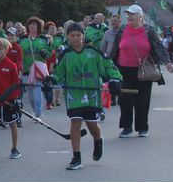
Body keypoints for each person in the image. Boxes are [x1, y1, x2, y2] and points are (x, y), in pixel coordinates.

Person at [44, 23, 122, 170]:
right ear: (67, 37)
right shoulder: (66, 54)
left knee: (92, 125)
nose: (75, 38)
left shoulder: (93, 52)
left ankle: (98, 140)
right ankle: (76, 157)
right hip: (74, 96)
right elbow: (58, 73)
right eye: (72, 35)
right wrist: (51, 80)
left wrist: (115, 78)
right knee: (75, 122)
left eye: (78, 35)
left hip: (92, 95)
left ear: (83, 36)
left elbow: (109, 65)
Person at [109, 4, 173, 138]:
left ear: (140, 16)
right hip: (124, 70)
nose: (129, 16)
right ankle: (126, 128)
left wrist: (167, 62)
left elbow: (158, 46)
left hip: (143, 71)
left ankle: (142, 128)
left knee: (143, 100)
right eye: (128, 14)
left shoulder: (149, 30)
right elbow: (115, 48)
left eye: (132, 14)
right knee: (125, 100)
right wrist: (108, 65)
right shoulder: (122, 29)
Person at [17, 17, 51, 118]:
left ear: (38, 26)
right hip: (26, 70)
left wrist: (45, 53)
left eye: (34, 24)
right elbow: (17, 54)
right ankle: (35, 109)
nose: (32, 26)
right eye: (30, 24)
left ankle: (38, 113)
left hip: (38, 71)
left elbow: (49, 54)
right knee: (30, 94)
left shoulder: (44, 39)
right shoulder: (22, 39)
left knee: (37, 91)